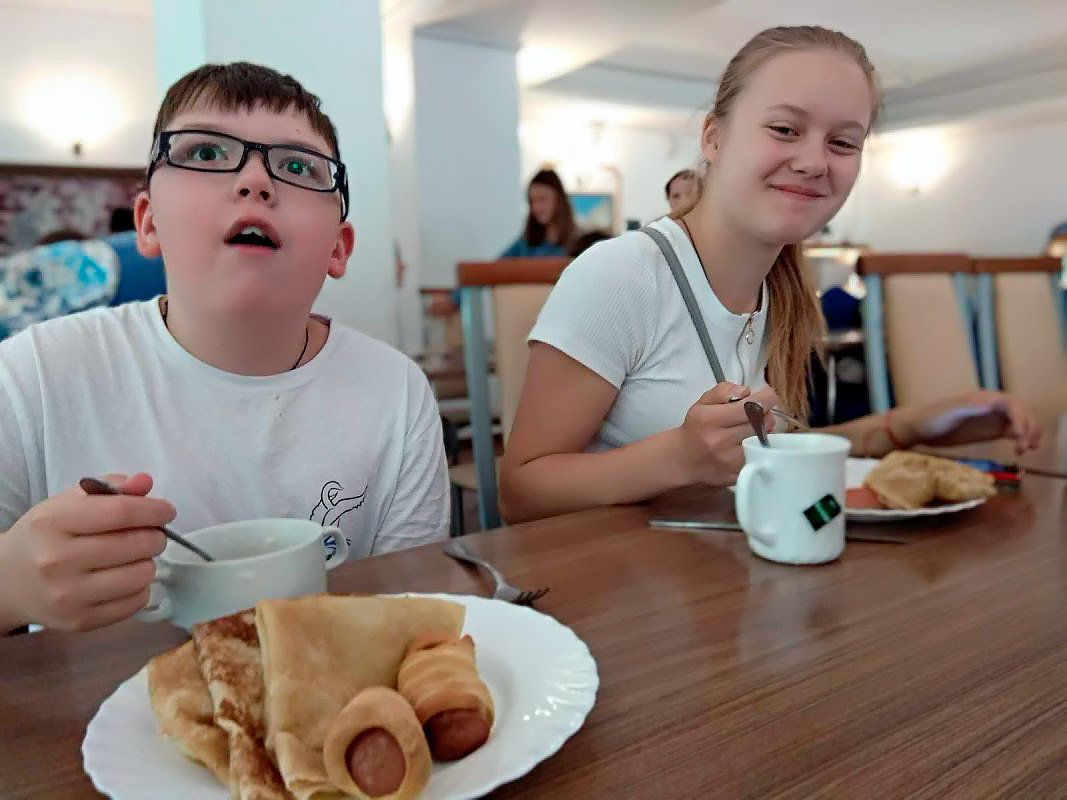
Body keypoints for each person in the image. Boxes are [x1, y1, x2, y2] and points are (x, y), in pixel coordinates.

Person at [499, 26, 1041, 524]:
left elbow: (765, 452)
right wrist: (677, 457)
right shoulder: (623, 274)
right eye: (785, 129)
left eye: (843, 142)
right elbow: (519, 493)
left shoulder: (781, 290)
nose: (814, 161)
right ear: (714, 137)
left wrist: (911, 427)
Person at [0, 62, 449, 634]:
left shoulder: (396, 392)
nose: (255, 181)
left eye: (297, 166)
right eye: (207, 153)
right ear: (148, 223)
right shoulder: (34, 376)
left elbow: (409, 610)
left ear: (338, 248)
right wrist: (10, 585)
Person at [500, 168, 576, 259]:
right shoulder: (525, 242)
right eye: (532, 201)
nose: (536, 207)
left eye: (542, 199)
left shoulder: (578, 241)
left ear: (559, 199)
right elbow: (497, 265)